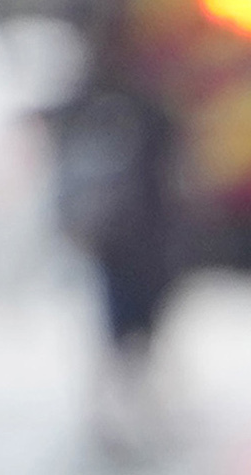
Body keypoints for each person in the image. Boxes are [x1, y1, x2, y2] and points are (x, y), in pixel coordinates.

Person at [50, 6, 191, 448]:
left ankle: (134, 402)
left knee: (140, 324)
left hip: (143, 234)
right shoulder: (103, 96)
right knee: (121, 324)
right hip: (123, 239)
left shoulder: (137, 99)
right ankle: (121, 405)